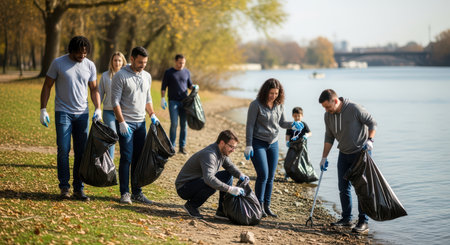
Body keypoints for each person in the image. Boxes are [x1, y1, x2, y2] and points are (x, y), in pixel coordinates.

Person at [39, 36, 101, 201]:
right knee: (63, 150)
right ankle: (64, 187)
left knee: (81, 152)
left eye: (85, 52)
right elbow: (47, 85)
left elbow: (94, 88)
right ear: (71, 50)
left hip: (82, 114)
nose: (82, 55)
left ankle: (79, 189)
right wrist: (43, 109)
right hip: (63, 112)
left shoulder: (90, 65)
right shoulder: (58, 63)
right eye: (79, 52)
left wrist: (98, 108)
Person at [318, 89, 377, 233]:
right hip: (343, 154)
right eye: (324, 107)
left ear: (336, 101)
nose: (326, 110)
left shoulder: (354, 109)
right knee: (343, 188)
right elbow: (329, 137)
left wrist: (370, 140)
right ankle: (346, 219)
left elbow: (372, 123)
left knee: (362, 189)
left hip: (360, 153)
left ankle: (363, 222)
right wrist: (324, 157)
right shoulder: (328, 116)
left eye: (327, 106)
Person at [244, 78, 300, 218]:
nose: (273, 96)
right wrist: (248, 144)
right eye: (271, 93)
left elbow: (282, 123)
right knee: (263, 174)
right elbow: (250, 125)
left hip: (273, 143)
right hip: (258, 143)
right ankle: (259, 206)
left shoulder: (279, 105)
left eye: (276, 93)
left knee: (271, 176)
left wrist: (293, 124)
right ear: (265, 92)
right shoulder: (255, 105)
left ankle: (267, 207)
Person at [111, 46, 159, 205]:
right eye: (140, 62)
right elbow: (115, 102)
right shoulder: (121, 76)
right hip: (127, 124)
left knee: (139, 159)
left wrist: (152, 115)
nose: (142, 65)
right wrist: (121, 122)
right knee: (126, 157)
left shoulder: (147, 76)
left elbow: (148, 98)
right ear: (132, 59)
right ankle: (125, 193)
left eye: (145, 62)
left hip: (141, 124)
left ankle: (137, 192)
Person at [175, 130, 250, 219]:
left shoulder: (222, 152)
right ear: (222, 143)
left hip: (196, 182)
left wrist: (241, 175)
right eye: (231, 147)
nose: (233, 150)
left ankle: (221, 211)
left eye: (235, 148)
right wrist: (230, 189)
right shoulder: (210, 154)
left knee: (227, 175)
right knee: (212, 184)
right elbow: (209, 179)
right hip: (184, 187)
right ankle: (191, 206)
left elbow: (230, 166)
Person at [160, 54, 198, 154]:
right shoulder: (169, 72)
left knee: (183, 125)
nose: (182, 65)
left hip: (185, 102)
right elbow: (163, 86)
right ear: (175, 61)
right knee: (174, 123)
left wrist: (194, 87)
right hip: (173, 102)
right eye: (180, 62)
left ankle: (182, 147)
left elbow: (189, 85)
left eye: (183, 63)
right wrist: (162, 98)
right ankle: (171, 146)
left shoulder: (186, 72)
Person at [98, 51, 127, 159]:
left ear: (123, 62)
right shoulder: (105, 76)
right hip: (108, 111)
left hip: (123, 112)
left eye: (119, 60)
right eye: (115, 60)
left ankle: (125, 161)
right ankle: (110, 163)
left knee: (124, 138)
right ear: (111, 61)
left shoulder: (126, 75)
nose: (117, 62)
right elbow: (100, 93)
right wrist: (98, 109)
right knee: (112, 135)